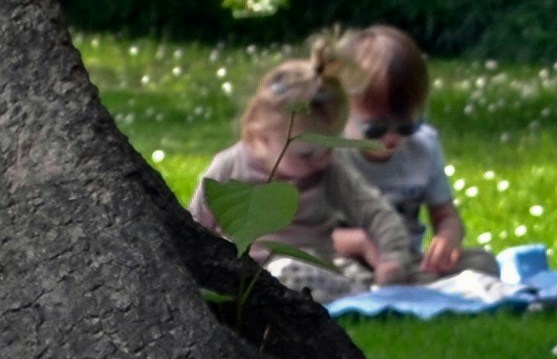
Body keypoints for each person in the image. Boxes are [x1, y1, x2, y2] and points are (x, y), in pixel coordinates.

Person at [190, 56, 413, 301]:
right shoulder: (229, 167)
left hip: (308, 271)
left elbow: (375, 210)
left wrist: (392, 257)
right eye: (306, 154)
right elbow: (193, 224)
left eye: (330, 147)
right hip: (243, 273)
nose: (321, 160)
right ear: (262, 133)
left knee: (291, 272)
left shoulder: (330, 171)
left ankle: (355, 293)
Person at [332, 22, 473, 279]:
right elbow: (303, 232)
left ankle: (396, 287)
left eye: (406, 126)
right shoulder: (329, 154)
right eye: (375, 128)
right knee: (294, 272)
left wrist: (447, 238)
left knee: (480, 263)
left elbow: (446, 216)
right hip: (341, 262)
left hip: (406, 262)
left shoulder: (423, 147)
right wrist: (359, 242)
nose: (392, 137)